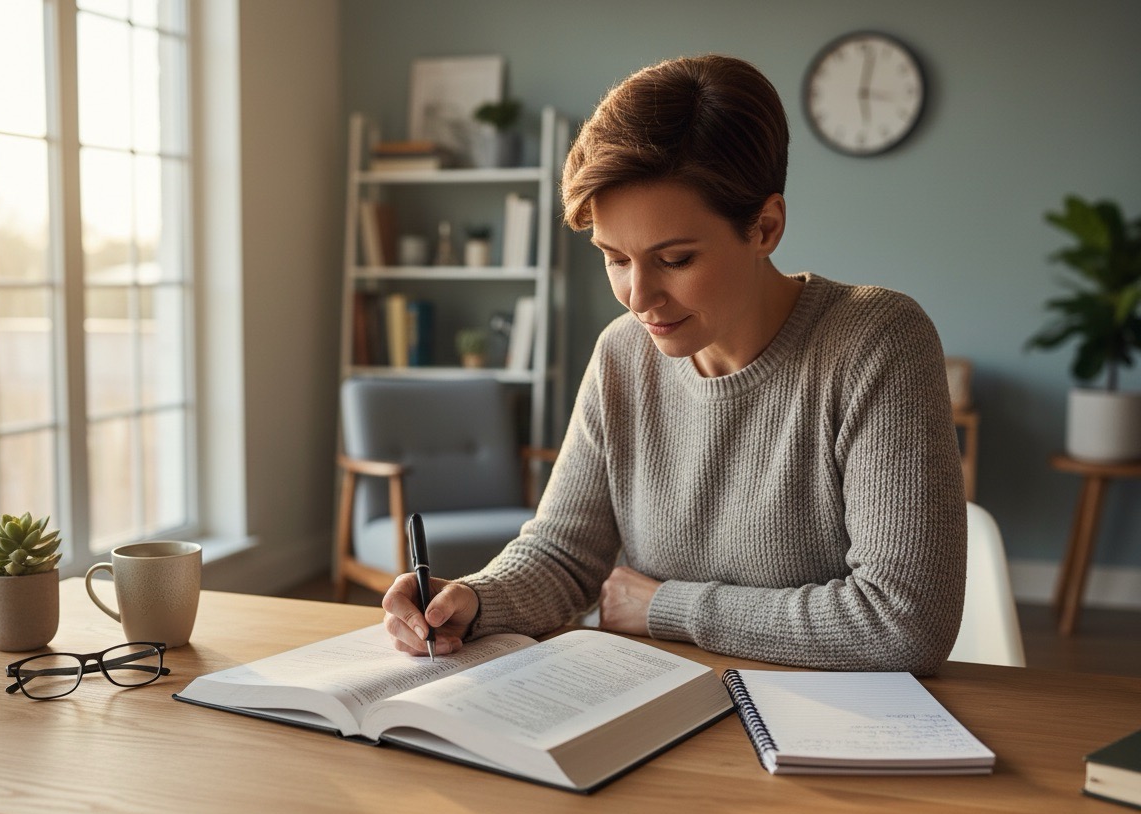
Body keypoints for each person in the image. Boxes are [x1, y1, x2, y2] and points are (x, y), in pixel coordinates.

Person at [382, 54, 966, 675]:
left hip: (822, 723)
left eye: (677, 259)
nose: (638, 298)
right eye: (614, 257)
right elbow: (564, 553)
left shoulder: (876, 342)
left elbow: (905, 623)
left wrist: (665, 606)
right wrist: (473, 601)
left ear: (765, 227)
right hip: (657, 708)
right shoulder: (622, 354)